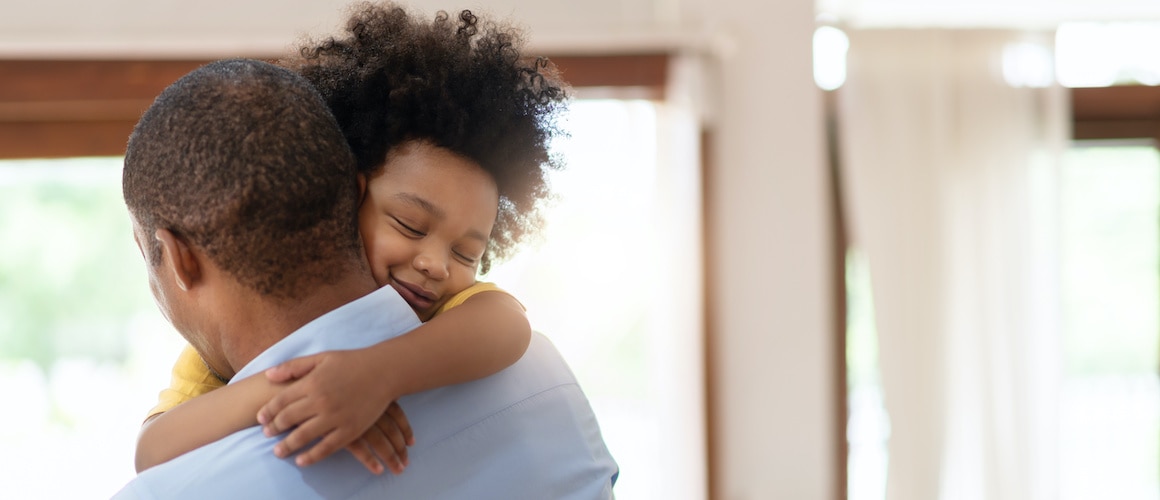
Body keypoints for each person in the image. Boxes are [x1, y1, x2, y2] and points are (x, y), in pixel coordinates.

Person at [113, 58, 616, 498]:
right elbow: (154, 447)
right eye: (410, 226)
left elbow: (509, 325)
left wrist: (378, 373)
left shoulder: (452, 321)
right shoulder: (547, 382)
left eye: (467, 253)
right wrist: (297, 388)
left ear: (178, 259)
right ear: (352, 197)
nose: (436, 265)